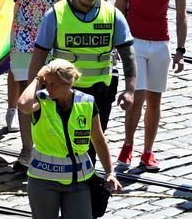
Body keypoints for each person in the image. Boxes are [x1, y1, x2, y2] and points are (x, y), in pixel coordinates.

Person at [111, 0, 188, 171]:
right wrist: (115, 43)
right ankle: (128, 144)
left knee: (155, 99)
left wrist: (181, 49)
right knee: (138, 96)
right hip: (134, 42)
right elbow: (119, 8)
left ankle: (147, 151)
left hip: (160, 43)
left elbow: (182, 15)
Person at [30, 0, 134, 128]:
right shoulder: (55, 15)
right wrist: (33, 90)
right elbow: (39, 54)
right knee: (64, 145)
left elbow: (128, 54)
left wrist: (130, 89)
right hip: (64, 90)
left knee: (94, 144)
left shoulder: (113, 15)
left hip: (100, 92)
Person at [17, 58, 117, 219]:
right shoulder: (41, 100)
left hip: (78, 181)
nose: (48, 88)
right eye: (46, 83)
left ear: (68, 83)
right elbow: (23, 105)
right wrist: (38, 79)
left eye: (53, 84)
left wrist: (109, 172)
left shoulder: (86, 103)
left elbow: (98, 140)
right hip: (43, 180)